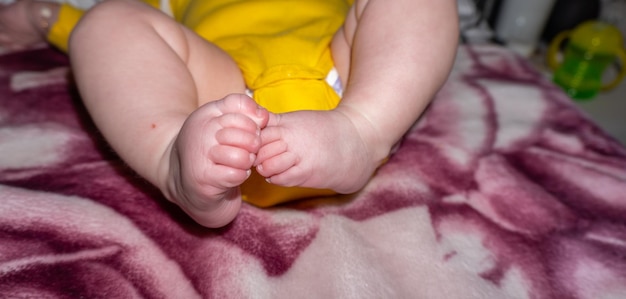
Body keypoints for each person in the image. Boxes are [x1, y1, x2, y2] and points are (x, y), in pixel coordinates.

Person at [0, 0, 459, 228]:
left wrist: (360, 118)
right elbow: (129, 55)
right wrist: (46, 17)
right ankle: (174, 160)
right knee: (108, 21)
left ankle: (365, 130)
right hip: (221, 102)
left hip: (351, 79)